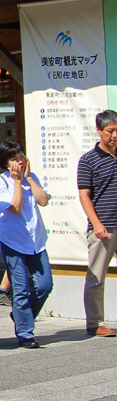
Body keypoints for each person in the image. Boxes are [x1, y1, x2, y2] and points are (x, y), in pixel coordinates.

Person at [0, 139, 52, 348]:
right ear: (6, 163)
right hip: (13, 242)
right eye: (15, 160)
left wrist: (28, 179)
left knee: (45, 285)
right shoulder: (1, 183)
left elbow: (43, 200)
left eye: (21, 157)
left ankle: (21, 316)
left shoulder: (31, 178)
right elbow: (15, 208)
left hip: (36, 241)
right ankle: (26, 333)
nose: (20, 162)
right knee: (20, 286)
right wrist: (17, 181)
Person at [79, 109, 117, 337]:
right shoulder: (88, 160)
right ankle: (95, 323)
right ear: (99, 131)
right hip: (103, 227)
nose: (115, 135)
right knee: (96, 277)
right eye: (110, 131)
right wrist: (97, 224)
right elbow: (84, 195)